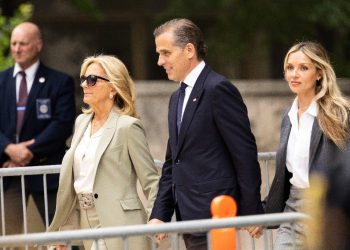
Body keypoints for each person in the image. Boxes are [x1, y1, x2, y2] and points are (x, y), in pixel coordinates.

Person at [148, 18, 264, 249]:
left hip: (216, 217)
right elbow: (174, 161)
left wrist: (252, 211)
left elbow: (244, 153)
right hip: (189, 217)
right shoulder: (176, 98)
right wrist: (159, 213)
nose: (160, 61)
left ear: (189, 50)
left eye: (165, 53)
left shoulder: (218, 88)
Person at [47, 55, 160, 250]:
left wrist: (157, 218)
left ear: (113, 88)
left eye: (92, 80)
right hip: (86, 221)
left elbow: (150, 180)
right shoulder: (81, 122)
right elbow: (79, 183)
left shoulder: (128, 126)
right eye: (83, 79)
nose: (84, 85)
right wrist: (65, 231)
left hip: (121, 221)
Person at [263, 42, 350, 249]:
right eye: (290, 67)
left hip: (324, 208)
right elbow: (285, 177)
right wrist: (262, 216)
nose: (294, 74)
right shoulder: (288, 116)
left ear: (319, 73)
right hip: (292, 208)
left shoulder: (338, 113)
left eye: (303, 68)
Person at [0, 22, 75, 234]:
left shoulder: (59, 82)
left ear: (38, 44)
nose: (16, 49)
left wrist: (25, 153)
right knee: (7, 241)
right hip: (9, 176)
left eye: (23, 43)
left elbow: (62, 124)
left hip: (47, 174)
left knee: (64, 237)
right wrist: (8, 149)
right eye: (14, 43)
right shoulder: (1, 81)